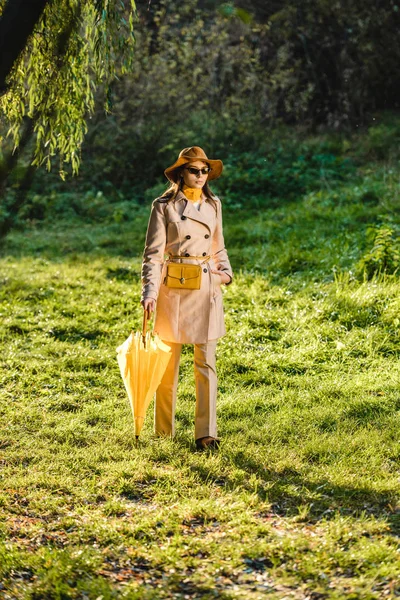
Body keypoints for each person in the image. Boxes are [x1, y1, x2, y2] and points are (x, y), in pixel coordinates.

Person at [141, 146, 233, 450]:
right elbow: (153, 255)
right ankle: (163, 431)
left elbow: (218, 246)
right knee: (168, 363)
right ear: (181, 172)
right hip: (174, 289)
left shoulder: (214, 204)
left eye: (205, 170)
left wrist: (226, 273)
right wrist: (149, 292)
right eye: (194, 170)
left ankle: (206, 434)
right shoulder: (163, 206)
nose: (201, 176)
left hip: (206, 286)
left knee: (206, 362)